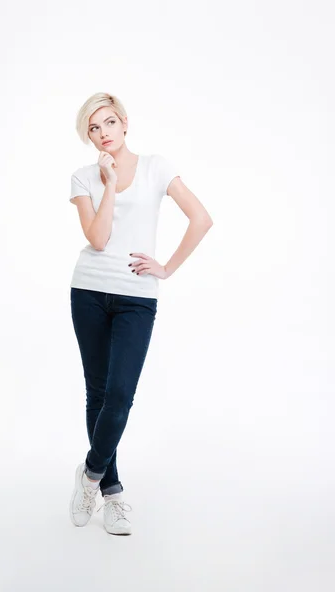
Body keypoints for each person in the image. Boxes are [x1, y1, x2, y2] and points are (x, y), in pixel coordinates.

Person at [68, 92, 213, 535]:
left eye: (109, 122)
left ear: (125, 123)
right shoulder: (83, 177)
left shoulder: (156, 167)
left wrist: (166, 267)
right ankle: (111, 492)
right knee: (98, 392)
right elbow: (97, 239)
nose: (103, 133)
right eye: (94, 128)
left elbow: (201, 218)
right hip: (89, 290)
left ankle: (89, 476)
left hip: (136, 297)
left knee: (121, 395)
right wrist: (109, 183)